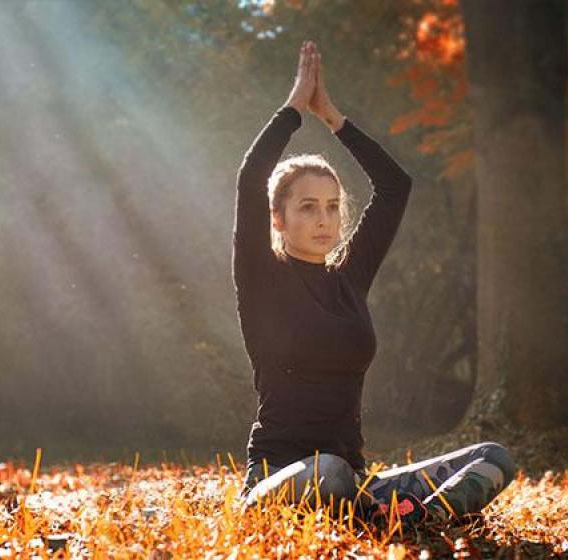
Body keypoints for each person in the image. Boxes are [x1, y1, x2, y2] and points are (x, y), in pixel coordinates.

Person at [231, 40, 515, 529]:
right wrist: (295, 108)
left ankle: (409, 518)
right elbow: (251, 178)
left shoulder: (348, 280)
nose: (324, 219)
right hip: (282, 479)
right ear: (277, 219)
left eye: (332, 206)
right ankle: (390, 518)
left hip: (357, 483)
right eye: (307, 207)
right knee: (330, 472)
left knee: (494, 458)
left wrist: (335, 119)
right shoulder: (262, 277)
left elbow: (394, 186)